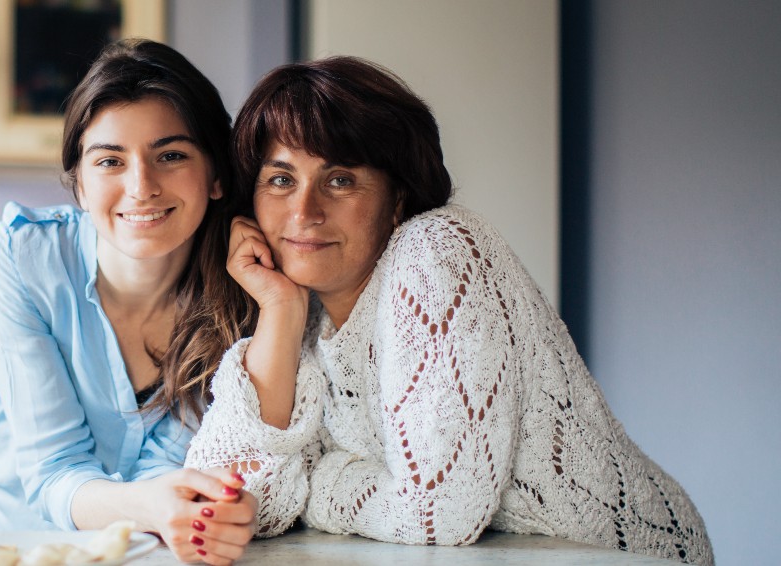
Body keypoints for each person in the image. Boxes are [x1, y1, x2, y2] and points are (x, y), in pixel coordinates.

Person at [186, 56, 714, 565]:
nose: (305, 211)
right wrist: (279, 312)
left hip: (629, 554)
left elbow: (440, 514)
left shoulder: (437, 250)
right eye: (281, 180)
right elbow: (221, 503)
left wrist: (319, 482)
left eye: (340, 179)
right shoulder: (302, 314)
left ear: (397, 200)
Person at [0, 39, 258, 564]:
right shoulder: (23, 255)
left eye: (170, 155)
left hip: (132, 533)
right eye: (110, 161)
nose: (141, 186)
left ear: (216, 175)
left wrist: (170, 504)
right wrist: (152, 505)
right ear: (78, 183)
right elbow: (53, 469)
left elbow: (172, 472)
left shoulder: (244, 290)